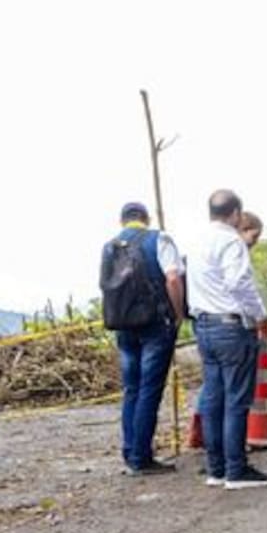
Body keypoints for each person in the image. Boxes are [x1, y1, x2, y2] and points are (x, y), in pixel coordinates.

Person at [186, 189, 267, 490]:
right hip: (231, 326)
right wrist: (259, 312)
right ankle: (237, 470)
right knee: (237, 399)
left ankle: (217, 468)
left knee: (213, 397)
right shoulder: (230, 241)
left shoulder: (196, 240)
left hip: (204, 326)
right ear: (236, 212)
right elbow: (237, 282)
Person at [101, 202, 185, 476]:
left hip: (124, 325)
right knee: (149, 390)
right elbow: (173, 278)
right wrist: (178, 313)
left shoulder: (110, 246)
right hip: (154, 324)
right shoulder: (158, 238)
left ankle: (130, 451)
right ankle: (141, 457)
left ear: (122, 220)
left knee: (132, 390)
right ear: (145, 219)